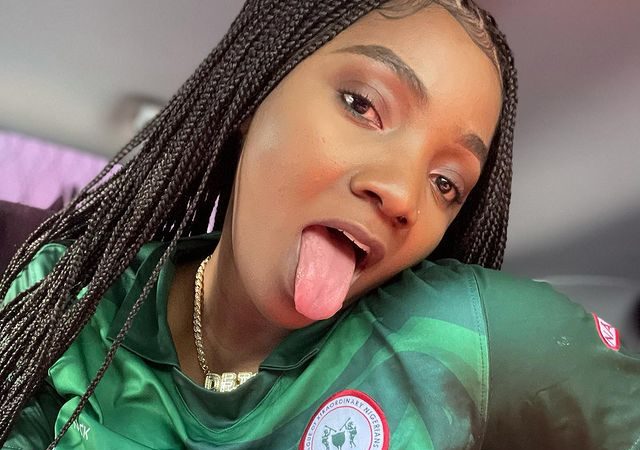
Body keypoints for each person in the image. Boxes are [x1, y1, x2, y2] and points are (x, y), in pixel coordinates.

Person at [1, 1, 638, 449]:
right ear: (256, 93)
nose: (403, 196)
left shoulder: (460, 337)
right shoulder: (65, 297)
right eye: (362, 105)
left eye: (446, 183)